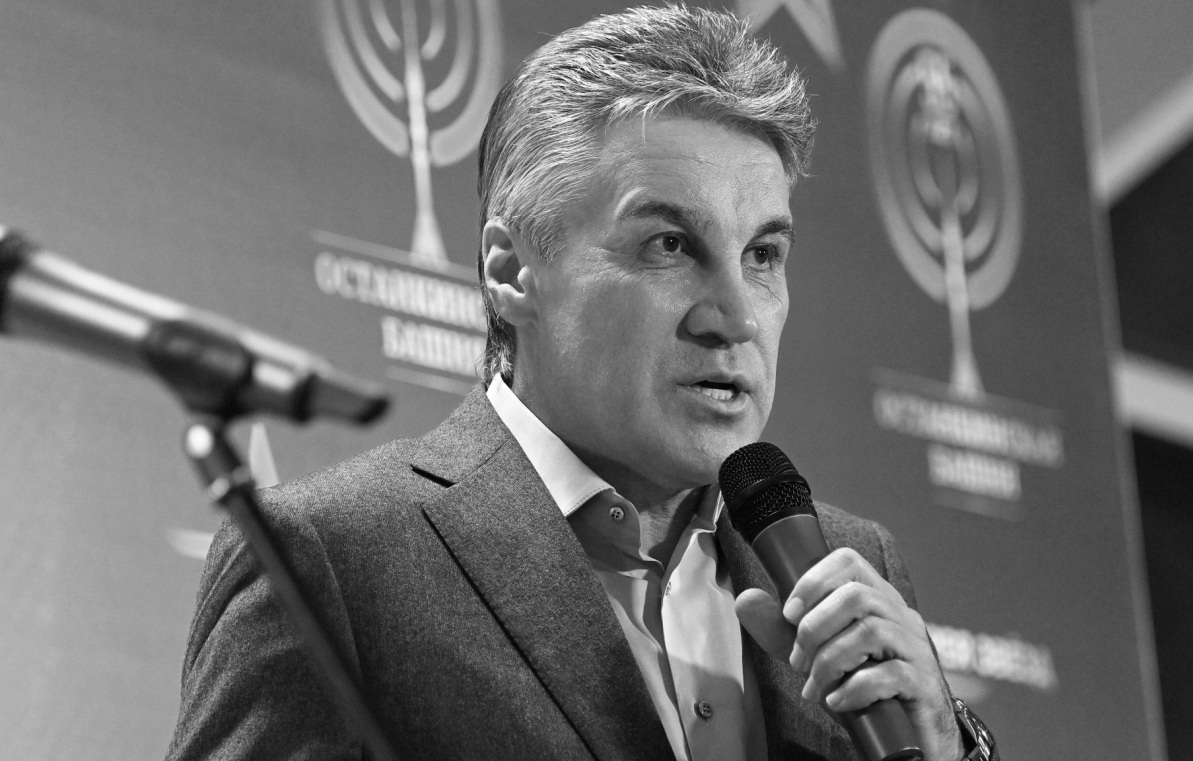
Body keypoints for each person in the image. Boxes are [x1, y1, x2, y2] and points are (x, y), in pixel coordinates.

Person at [167, 6, 996, 761]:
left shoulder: (850, 564)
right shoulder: (332, 561)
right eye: (669, 245)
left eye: (762, 254)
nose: (736, 316)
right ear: (510, 271)